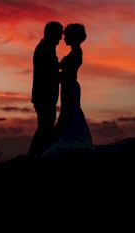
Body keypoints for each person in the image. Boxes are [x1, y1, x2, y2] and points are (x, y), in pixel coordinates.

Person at [43, 23, 93, 155]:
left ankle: (65, 144)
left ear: (73, 37)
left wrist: (53, 74)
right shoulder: (75, 52)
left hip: (69, 86)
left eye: (66, 36)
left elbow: (66, 74)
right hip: (68, 86)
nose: (63, 39)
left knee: (68, 114)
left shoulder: (75, 53)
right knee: (69, 114)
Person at [29, 21, 64, 155]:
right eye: (59, 34)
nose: (61, 38)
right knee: (45, 128)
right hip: (44, 96)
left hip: (44, 96)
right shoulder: (45, 49)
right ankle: (35, 156)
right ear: (52, 34)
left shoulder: (46, 48)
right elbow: (49, 73)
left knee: (45, 127)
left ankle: (37, 155)